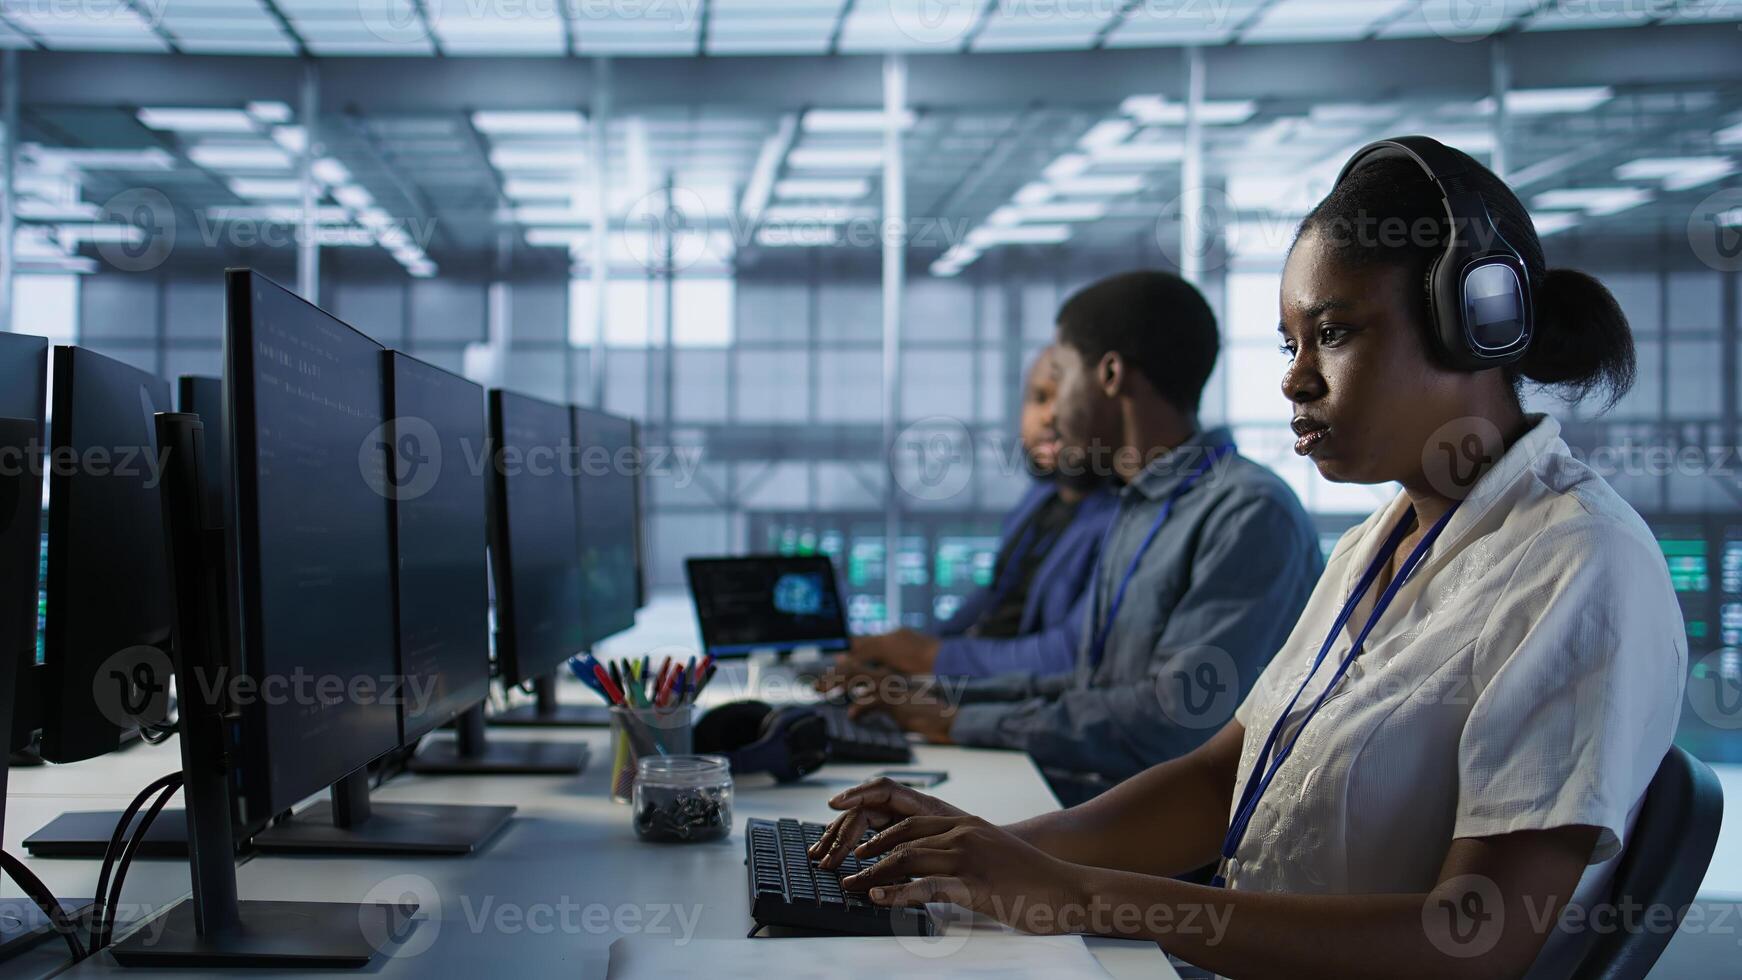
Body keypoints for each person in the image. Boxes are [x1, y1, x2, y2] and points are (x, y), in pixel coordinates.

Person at [809, 137, 1686, 979]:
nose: (1296, 379)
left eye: (1335, 334)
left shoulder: (1578, 563)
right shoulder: (1374, 546)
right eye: (1289, 343)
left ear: (1476, 325)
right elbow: (1221, 775)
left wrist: (1081, 894)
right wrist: (987, 848)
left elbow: (1479, 935)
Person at [829, 270, 1323, 797]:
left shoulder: (1246, 513)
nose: (1051, 411)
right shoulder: (1137, 504)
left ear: (1109, 375)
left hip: (1176, 837)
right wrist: (937, 699)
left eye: (1059, 379)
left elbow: (1171, 720)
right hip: (1110, 797)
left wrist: (956, 721)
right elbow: (1087, 681)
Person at [849, 345, 1118, 680]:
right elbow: (991, 600)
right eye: (1039, 398)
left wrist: (931, 657)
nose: (1049, 416)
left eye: (1067, 400)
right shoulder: (1038, 501)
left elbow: (1068, 655)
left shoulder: (1120, 523)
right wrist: (899, 656)